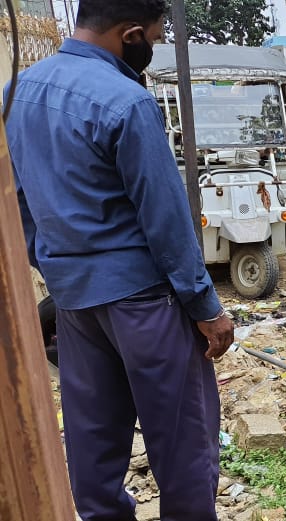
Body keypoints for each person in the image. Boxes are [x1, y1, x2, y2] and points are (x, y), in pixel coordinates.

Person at [5, 1, 234, 519]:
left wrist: (52, 264)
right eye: (152, 37)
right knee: (183, 446)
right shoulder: (127, 101)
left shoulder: (16, 93)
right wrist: (206, 307)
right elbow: (166, 218)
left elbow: (16, 199)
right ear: (131, 34)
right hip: (144, 304)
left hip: (75, 303)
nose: (149, 48)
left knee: (93, 441)